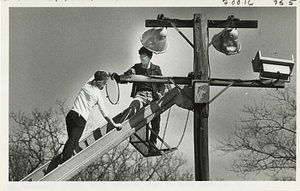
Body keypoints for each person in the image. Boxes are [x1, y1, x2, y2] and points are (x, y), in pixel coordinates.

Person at [50, 71, 122, 171]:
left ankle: (62, 158)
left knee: (71, 141)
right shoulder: (98, 96)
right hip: (80, 120)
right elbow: (105, 114)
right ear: (100, 82)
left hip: (71, 115)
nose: (105, 85)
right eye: (105, 83)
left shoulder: (87, 85)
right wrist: (114, 125)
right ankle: (62, 164)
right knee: (73, 142)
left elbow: (96, 73)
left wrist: (108, 73)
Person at [122, 47, 165, 152]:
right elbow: (129, 73)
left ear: (149, 57)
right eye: (140, 56)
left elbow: (162, 84)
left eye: (144, 56)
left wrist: (160, 93)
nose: (142, 58)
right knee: (135, 105)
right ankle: (126, 121)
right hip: (140, 94)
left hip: (152, 96)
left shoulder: (156, 69)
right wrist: (129, 72)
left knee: (156, 121)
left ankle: (152, 144)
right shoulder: (137, 67)